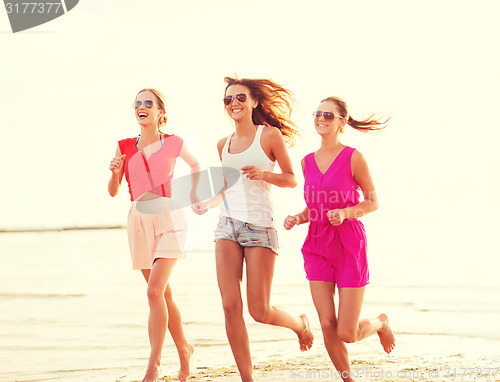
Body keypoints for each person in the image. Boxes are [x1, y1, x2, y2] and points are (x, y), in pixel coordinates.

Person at [192, 77, 314, 382]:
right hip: (227, 227)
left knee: (259, 311)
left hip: (260, 228)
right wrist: (207, 205)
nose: (234, 103)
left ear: (254, 102)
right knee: (230, 305)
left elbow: (290, 178)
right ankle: (248, 379)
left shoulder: (269, 135)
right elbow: (224, 188)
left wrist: (263, 175)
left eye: (240, 98)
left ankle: (299, 325)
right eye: (228, 100)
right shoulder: (223, 144)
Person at [284, 96, 396, 382]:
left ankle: (381, 322)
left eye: (328, 115)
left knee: (346, 332)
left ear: (342, 121)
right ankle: (349, 380)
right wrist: (298, 217)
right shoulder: (307, 161)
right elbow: (315, 205)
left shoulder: (354, 157)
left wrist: (346, 213)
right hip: (317, 244)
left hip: (349, 244)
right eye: (317, 114)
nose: (321, 118)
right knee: (326, 323)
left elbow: (372, 202)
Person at [108, 88, 199, 382]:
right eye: (138, 103)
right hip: (138, 221)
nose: (141, 107)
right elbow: (113, 191)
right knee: (163, 293)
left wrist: (194, 193)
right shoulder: (123, 146)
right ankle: (184, 349)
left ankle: (154, 365)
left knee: (153, 291)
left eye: (149, 103)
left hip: (169, 217)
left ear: (161, 112)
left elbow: (196, 164)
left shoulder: (173, 143)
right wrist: (113, 172)